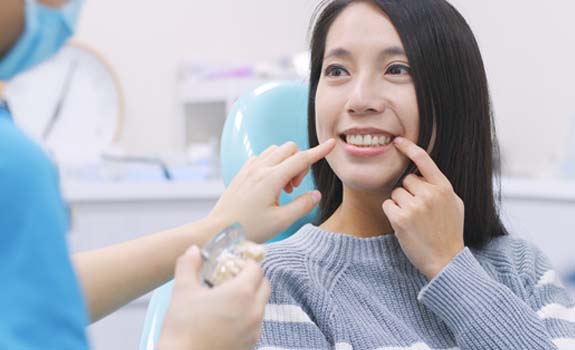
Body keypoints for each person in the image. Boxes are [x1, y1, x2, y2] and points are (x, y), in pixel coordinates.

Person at [0, 1, 336, 349]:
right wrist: (188, 343)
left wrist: (217, 229)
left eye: (396, 69)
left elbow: (35, 290)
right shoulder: (15, 168)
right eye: (337, 71)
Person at [256, 1, 575, 349]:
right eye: (336, 71)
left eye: (396, 69)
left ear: (454, 97)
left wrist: (451, 268)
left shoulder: (520, 267)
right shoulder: (278, 279)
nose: (359, 100)